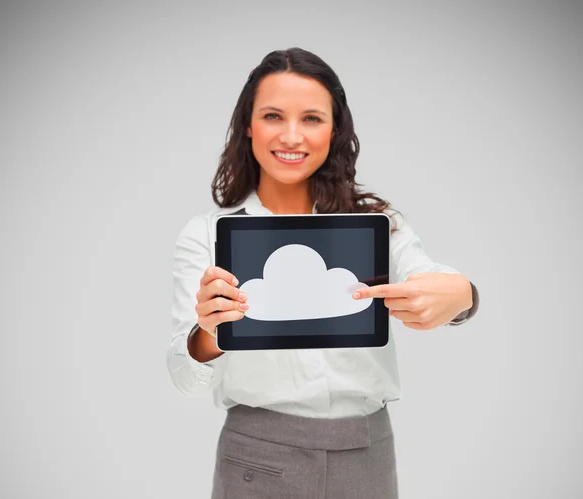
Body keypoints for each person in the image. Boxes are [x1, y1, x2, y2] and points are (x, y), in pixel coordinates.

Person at [167, 47, 479, 499]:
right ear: (248, 126)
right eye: (274, 115)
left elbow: (429, 277)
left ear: (334, 131)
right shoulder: (207, 235)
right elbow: (183, 376)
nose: (292, 136)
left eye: (311, 118)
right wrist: (210, 332)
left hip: (367, 453)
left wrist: (463, 294)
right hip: (257, 456)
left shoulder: (379, 226)